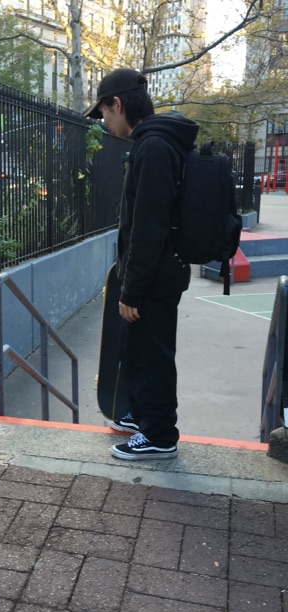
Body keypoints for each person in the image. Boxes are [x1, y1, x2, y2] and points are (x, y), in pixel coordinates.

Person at [84, 68, 198, 461]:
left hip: (154, 277)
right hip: (159, 272)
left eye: (103, 113)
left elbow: (149, 227)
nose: (105, 122)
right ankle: (143, 416)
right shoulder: (155, 142)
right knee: (137, 349)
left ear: (117, 103)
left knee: (152, 355)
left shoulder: (153, 147)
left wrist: (131, 291)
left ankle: (160, 435)